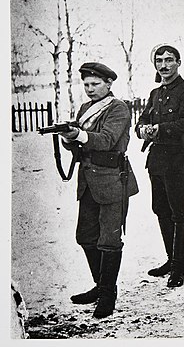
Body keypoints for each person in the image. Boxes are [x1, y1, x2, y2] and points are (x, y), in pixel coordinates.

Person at [60, 62, 139, 318]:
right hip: (88, 181)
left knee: (109, 240)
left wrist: (79, 135)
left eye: (95, 84)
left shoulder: (118, 108)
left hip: (112, 181)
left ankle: (107, 295)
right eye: (86, 85)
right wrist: (68, 137)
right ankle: (101, 285)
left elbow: (106, 140)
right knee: (85, 236)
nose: (90, 89)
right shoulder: (85, 109)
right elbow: (81, 148)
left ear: (108, 84)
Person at [136, 44, 184, 288]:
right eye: (159, 61)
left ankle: (178, 267)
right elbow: (143, 118)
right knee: (161, 210)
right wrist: (142, 129)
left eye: (169, 60)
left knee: (179, 213)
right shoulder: (155, 94)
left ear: (179, 62)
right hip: (157, 162)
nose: (163, 65)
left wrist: (160, 129)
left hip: (178, 161)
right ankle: (170, 259)